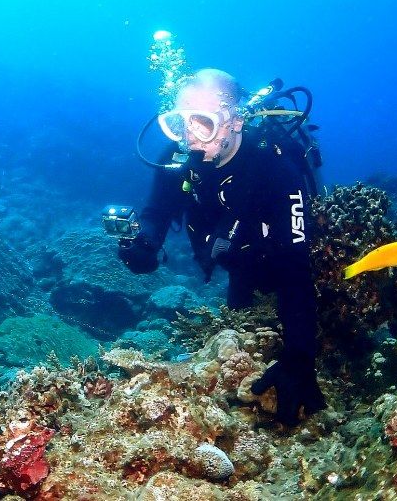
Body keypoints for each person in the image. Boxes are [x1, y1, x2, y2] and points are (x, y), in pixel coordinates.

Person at [118, 68, 326, 426]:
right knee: (238, 317)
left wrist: (299, 356)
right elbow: (156, 210)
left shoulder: (276, 168)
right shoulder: (179, 158)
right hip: (233, 265)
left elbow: (296, 270)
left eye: (202, 122)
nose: (189, 137)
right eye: (178, 123)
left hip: (276, 260)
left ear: (235, 121)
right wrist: (145, 244)